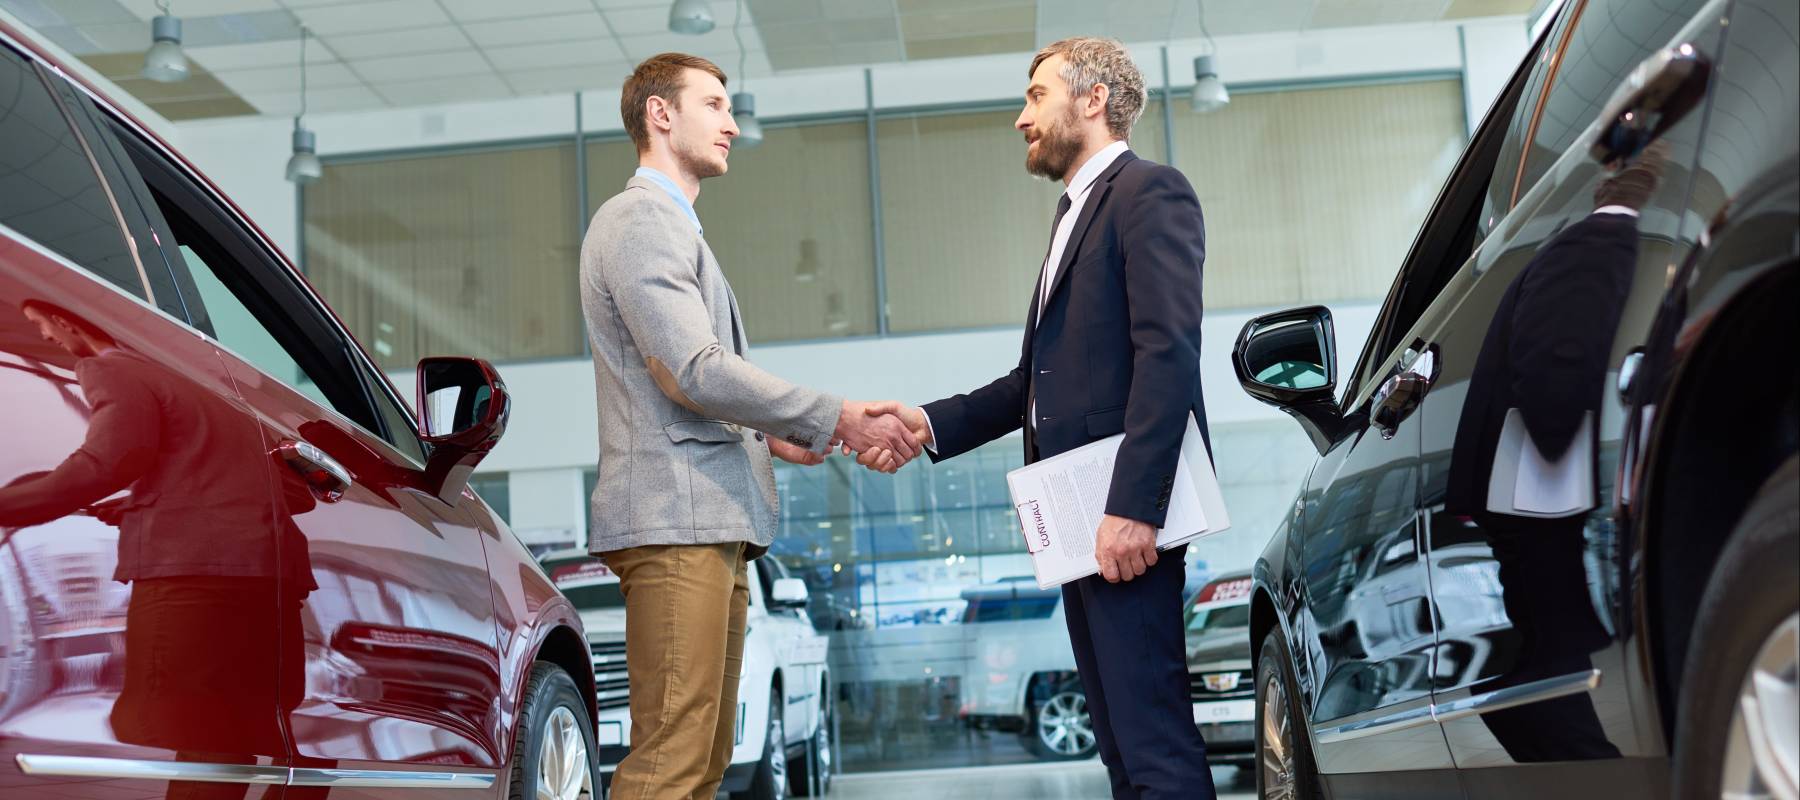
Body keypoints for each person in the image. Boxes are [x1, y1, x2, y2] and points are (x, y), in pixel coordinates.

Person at [860, 37, 1216, 800]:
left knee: (1153, 746)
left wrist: (1133, 509)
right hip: (1085, 526)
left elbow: (1170, 355)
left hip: (1123, 524)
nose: (1022, 117)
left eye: (1035, 95)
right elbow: (1036, 379)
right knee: (1121, 748)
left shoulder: (1150, 193)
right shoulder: (1073, 216)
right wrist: (927, 422)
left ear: (1092, 100)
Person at [580, 53, 919, 799]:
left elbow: (678, 381)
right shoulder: (639, 220)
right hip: (677, 521)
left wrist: (768, 435)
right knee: (672, 759)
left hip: (709, 520)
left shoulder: (673, 226)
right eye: (714, 104)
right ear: (659, 115)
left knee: (701, 763)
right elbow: (692, 369)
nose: (732, 123)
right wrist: (837, 415)